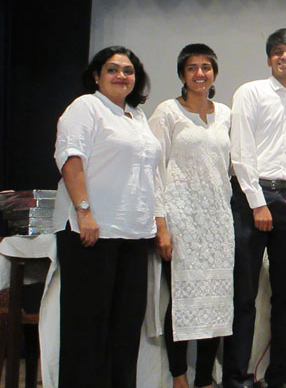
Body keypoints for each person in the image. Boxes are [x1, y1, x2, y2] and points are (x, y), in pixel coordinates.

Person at [53, 46, 160, 388]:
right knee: (87, 330)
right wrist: (84, 211)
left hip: (134, 234)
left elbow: (152, 175)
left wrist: (158, 224)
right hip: (92, 232)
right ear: (97, 76)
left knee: (125, 330)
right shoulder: (86, 107)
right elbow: (71, 159)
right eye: (112, 69)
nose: (121, 76)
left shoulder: (137, 117)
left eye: (128, 71)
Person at [223, 28, 286, 388]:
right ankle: (236, 376)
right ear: (269, 58)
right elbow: (241, 152)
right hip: (252, 199)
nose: (284, 57)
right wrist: (257, 203)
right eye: (277, 51)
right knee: (243, 295)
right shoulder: (250, 92)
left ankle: (279, 375)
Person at [149, 44, 234, 388]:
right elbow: (154, 172)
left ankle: (204, 378)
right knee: (183, 299)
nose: (200, 73)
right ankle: (179, 376)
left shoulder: (225, 114)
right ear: (182, 75)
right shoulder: (167, 112)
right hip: (181, 217)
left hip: (218, 219)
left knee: (216, 300)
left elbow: (230, 167)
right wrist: (161, 225)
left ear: (214, 72)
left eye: (206, 67)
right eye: (192, 68)